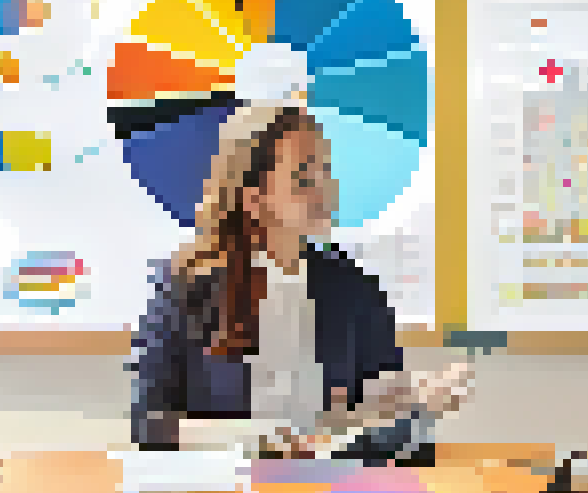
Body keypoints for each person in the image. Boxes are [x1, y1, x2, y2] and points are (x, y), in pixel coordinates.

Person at [129, 101, 472, 462]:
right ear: (254, 198)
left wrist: (418, 405)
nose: (325, 188)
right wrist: (256, 437)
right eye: (303, 177)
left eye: (326, 170)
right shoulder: (185, 287)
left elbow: (391, 439)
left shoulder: (357, 292)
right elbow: (149, 424)